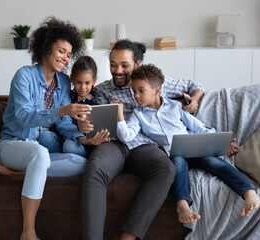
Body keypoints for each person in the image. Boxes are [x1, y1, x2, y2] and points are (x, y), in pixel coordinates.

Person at [79, 39, 206, 240]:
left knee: (166, 169)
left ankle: (128, 238)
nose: (117, 70)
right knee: (95, 169)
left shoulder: (152, 82)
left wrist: (194, 102)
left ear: (137, 64)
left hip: (144, 145)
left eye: (124, 65)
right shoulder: (102, 89)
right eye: (113, 64)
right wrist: (87, 128)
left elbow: (194, 85)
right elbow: (94, 120)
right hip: (114, 143)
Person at [0, 17, 93, 240]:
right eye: (61, 51)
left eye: (68, 54)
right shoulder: (24, 75)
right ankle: (28, 232)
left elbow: (63, 123)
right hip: (14, 144)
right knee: (41, 153)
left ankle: (19, 173)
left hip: (38, 151)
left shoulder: (63, 81)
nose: (65, 58)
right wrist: (62, 110)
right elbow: (24, 118)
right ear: (46, 47)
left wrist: (82, 135)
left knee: (83, 164)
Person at [115, 64, 260, 225]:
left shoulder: (175, 107)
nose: (136, 95)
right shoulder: (138, 114)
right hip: (173, 153)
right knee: (178, 163)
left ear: (157, 90)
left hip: (193, 147)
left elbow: (199, 127)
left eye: (141, 90)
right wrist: (120, 115)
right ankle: (182, 204)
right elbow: (126, 136)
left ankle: (248, 192)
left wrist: (221, 143)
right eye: (134, 91)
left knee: (213, 162)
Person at [68, 55, 110, 156]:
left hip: (88, 143)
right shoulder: (68, 97)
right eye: (78, 82)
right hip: (69, 137)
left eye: (87, 83)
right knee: (68, 144)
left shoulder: (96, 103)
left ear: (94, 81)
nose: (83, 87)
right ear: (71, 79)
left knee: (69, 146)